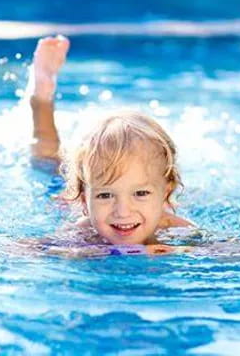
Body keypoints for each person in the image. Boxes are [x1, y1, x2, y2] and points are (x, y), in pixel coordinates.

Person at [24, 35, 201, 257]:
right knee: (47, 160)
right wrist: (76, 253)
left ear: (166, 191)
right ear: (84, 200)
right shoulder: (83, 230)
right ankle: (41, 97)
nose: (122, 211)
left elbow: (237, 253)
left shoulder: (177, 228)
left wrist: (178, 250)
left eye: (141, 192)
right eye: (105, 195)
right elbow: (22, 250)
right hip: (70, 192)